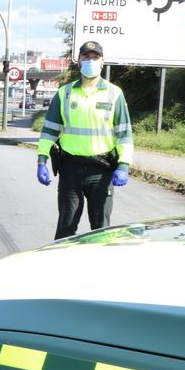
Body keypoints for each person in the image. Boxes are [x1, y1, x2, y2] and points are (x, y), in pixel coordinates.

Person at [36, 40, 133, 240]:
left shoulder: (114, 94)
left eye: (95, 57)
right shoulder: (65, 93)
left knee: (101, 229)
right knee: (66, 226)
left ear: (103, 62)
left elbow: (124, 134)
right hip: (70, 169)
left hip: (101, 170)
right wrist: (41, 160)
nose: (91, 61)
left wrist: (123, 165)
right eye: (86, 57)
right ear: (78, 61)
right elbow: (49, 131)